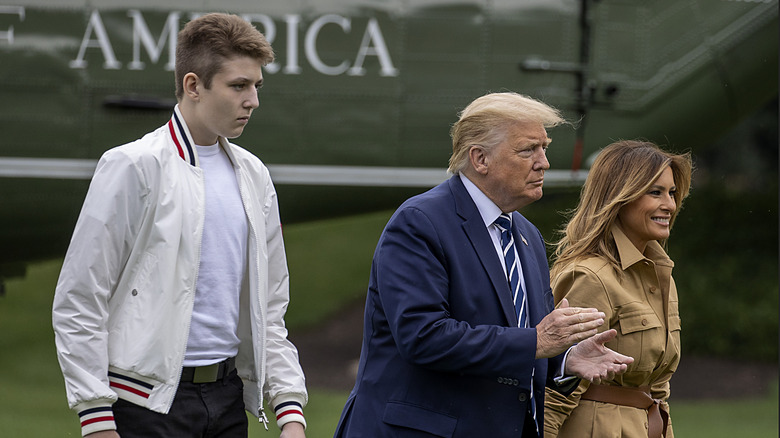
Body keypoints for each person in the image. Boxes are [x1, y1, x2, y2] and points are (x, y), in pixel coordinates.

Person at [52, 13, 307, 438]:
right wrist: (95, 416)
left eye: (256, 86)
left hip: (228, 401)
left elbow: (269, 308)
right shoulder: (132, 165)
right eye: (238, 86)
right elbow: (80, 298)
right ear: (193, 85)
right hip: (143, 405)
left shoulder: (254, 175)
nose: (253, 101)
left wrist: (289, 409)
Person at [333, 92, 634, 438]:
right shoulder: (420, 222)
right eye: (528, 150)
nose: (544, 162)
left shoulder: (527, 235)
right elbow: (423, 336)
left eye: (544, 148)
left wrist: (564, 361)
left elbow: (520, 338)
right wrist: (537, 342)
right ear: (480, 159)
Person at [543, 140, 692, 438]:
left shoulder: (661, 273)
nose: (670, 205)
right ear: (620, 197)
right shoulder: (589, 276)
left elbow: (657, 385)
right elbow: (556, 385)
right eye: (655, 192)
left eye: (672, 193)